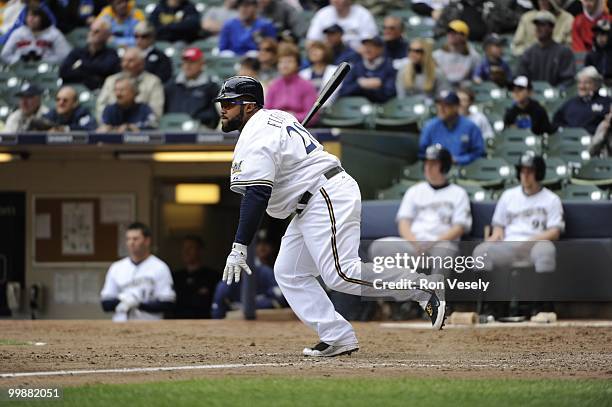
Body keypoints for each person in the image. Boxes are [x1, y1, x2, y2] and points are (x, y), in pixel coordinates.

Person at [215, 76, 446, 357]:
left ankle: (421, 287)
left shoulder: (257, 136)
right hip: (310, 202)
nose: (223, 109)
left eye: (229, 103)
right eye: (222, 103)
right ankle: (337, 336)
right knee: (290, 273)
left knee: (341, 274)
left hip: (324, 194)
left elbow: (257, 195)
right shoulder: (274, 118)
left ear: (249, 107)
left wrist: (239, 245)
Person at [369, 144, 472, 278]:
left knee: (445, 250)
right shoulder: (414, 191)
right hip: (414, 245)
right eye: (426, 163)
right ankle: (395, 296)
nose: (428, 168)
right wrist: (416, 243)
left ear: (445, 166)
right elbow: (403, 223)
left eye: (433, 164)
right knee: (379, 246)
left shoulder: (459, 193)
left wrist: (432, 243)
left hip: (440, 245)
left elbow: (459, 228)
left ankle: (433, 296)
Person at [473, 152, 564, 274]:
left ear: (539, 173)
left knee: (546, 250)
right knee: (481, 252)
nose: (525, 176)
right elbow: (498, 227)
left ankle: (543, 292)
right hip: (509, 245)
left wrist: (530, 241)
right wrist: (495, 237)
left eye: (530, 172)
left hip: (535, 244)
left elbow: (555, 232)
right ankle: (488, 292)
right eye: (522, 171)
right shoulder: (508, 195)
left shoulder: (551, 199)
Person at [100, 222, 175, 322]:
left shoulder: (160, 267)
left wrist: (139, 304)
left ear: (147, 241)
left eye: (135, 239)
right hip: (120, 326)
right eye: (128, 239)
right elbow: (105, 304)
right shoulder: (116, 267)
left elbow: (168, 303)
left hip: (150, 326)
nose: (131, 242)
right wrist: (123, 300)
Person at [211, 234, 286, 319]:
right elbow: (217, 314)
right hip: (234, 326)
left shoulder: (265, 273)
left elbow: (280, 301)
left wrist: (246, 307)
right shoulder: (227, 283)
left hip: (266, 323)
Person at [96, 47, 165, 121]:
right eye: (123, 61)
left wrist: (135, 126)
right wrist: (108, 123)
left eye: (130, 61)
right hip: (112, 127)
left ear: (141, 63)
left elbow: (156, 112)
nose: (125, 64)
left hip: (141, 128)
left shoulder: (153, 81)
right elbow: (100, 106)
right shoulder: (111, 80)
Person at [419, 90, 485, 165]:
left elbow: (479, 153)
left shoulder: (470, 127)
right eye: (439, 104)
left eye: (446, 105)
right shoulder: (430, 126)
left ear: (456, 107)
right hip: (437, 169)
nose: (441, 109)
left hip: (465, 170)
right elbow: (422, 153)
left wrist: (458, 160)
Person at [516, 10, 576, 88]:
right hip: (531, 95)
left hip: (556, 96)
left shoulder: (564, 52)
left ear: (552, 28)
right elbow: (521, 77)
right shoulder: (528, 53)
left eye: (542, 25)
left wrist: (557, 91)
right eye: (537, 25)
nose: (538, 28)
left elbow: (568, 78)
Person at [164, 47, 221, 129]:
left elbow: (213, 116)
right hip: (172, 128)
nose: (187, 65)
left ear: (201, 64)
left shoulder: (211, 87)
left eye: (192, 62)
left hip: (200, 130)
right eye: (185, 62)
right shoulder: (171, 86)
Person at [59, 18, 121, 90]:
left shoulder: (111, 54)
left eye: (96, 31)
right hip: (74, 90)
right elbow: (63, 72)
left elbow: (105, 70)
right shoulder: (77, 52)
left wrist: (80, 67)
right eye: (90, 30)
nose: (91, 34)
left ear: (106, 35)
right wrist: (92, 75)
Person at [265, 43, 318, 123]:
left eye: (289, 61)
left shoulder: (307, 86)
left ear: (298, 65)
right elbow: (266, 113)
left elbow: (312, 116)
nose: (284, 65)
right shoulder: (273, 85)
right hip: (275, 128)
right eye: (281, 62)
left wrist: (292, 117)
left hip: (299, 128)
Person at [0, 6, 71, 65]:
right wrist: (19, 60)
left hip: (46, 72)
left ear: (43, 18)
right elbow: (5, 55)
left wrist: (44, 60)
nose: (31, 19)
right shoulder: (18, 33)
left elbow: (65, 56)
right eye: (29, 16)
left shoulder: (54, 33)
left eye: (35, 16)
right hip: (21, 71)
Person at [171, 236, 220, 319]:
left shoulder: (212, 277)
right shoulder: (175, 277)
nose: (186, 251)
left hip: (206, 324)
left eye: (190, 248)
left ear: (200, 251)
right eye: (184, 248)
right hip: (178, 324)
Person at [337, 36, 396, 103]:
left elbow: (390, 93)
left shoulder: (388, 67)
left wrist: (371, 88)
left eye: (372, 46)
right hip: (355, 107)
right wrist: (360, 84)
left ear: (380, 49)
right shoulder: (357, 66)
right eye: (365, 45)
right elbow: (343, 91)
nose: (367, 49)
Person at [553, 66, 611, 134]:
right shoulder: (570, 104)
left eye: (587, 83)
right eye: (580, 82)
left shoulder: (606, 103)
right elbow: (557, 121)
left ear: (596, 84)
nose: (582, 86)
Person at [306, 0, 377, 51]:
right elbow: (311, 42)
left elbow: (370, 43)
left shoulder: (363, 14)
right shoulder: (323, 14)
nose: (336, 1)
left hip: (356, 56)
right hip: (329, 55)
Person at [432, 20, 481, 87]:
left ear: (464, 36)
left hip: (465, 90)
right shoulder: (436, 56)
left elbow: (477, 78)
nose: (450, 35)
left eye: (454, 32)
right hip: (443, 89)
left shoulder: (473, 56)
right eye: (449, 32)